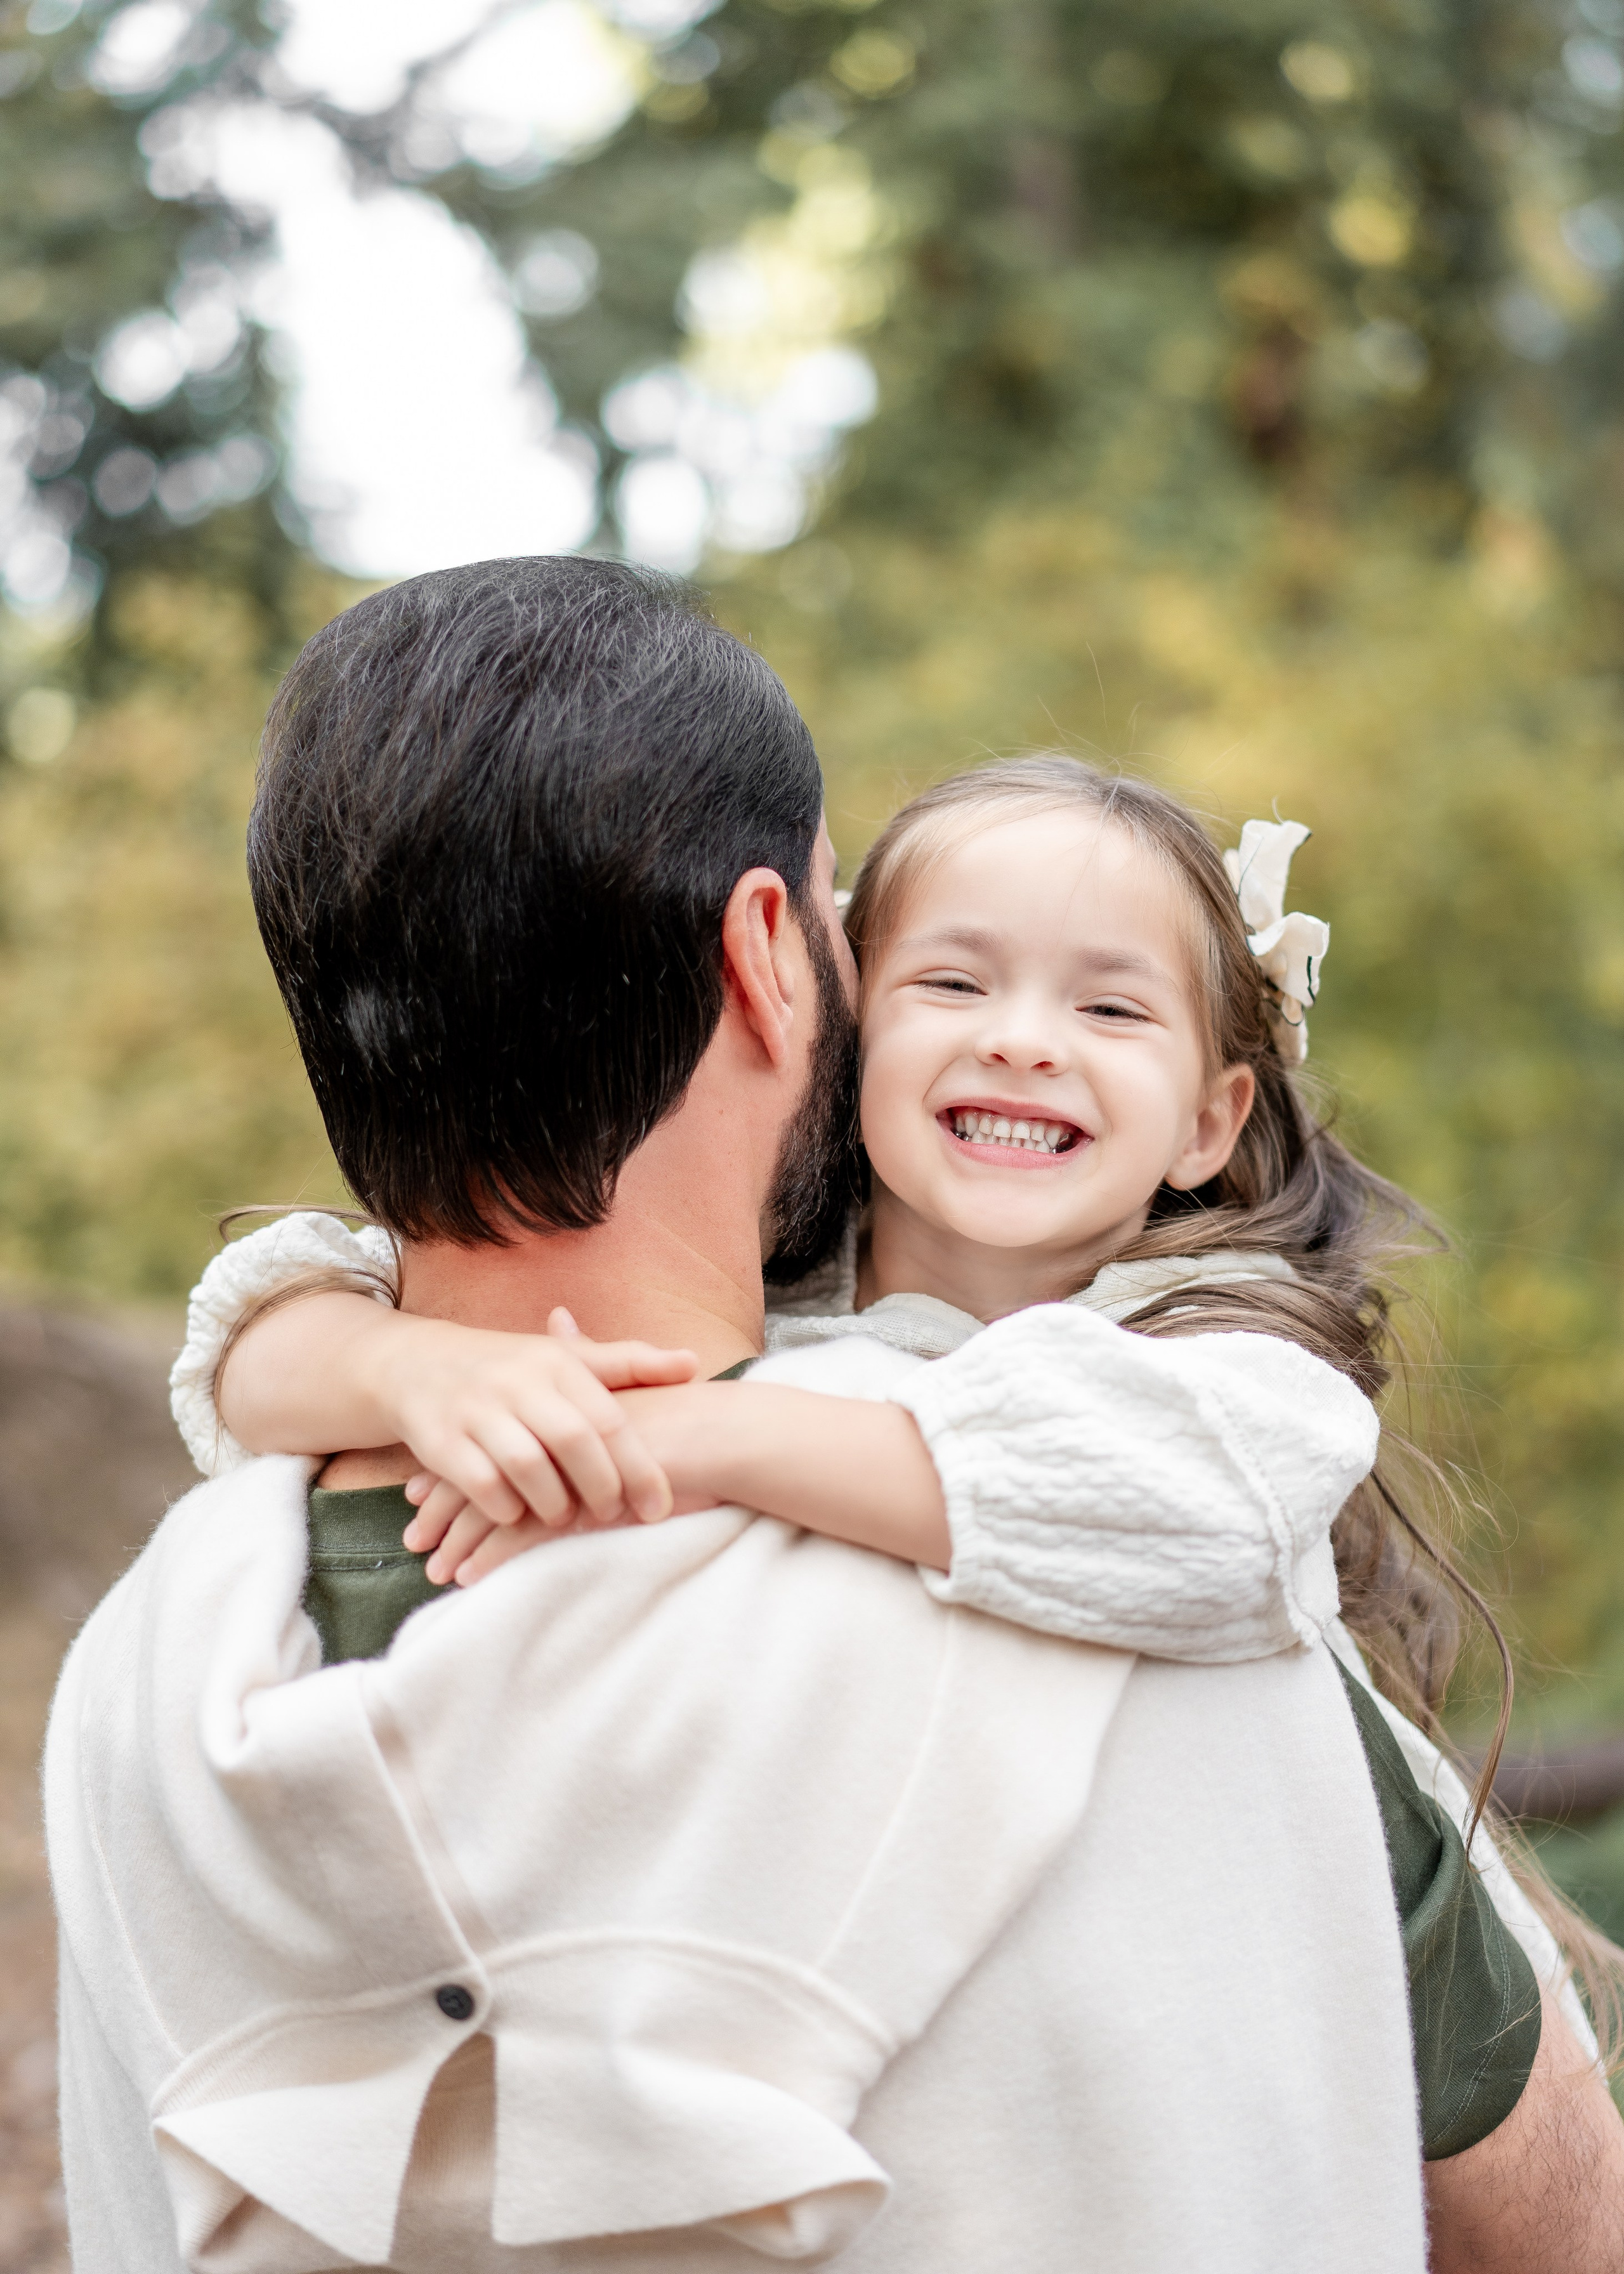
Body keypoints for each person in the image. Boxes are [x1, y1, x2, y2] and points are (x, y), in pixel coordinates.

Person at [47, 560, 1624, 2273]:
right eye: (900, 954)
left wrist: (455, 1388)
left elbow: (271, 1316)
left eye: (1105, 1006)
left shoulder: (137, 1671)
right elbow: (1558, 2224)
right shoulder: (1150, 1622)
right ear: (768, 962)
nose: (1013, 1045)